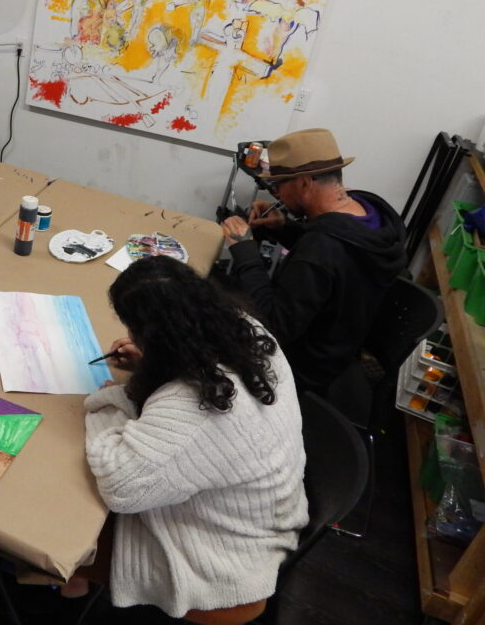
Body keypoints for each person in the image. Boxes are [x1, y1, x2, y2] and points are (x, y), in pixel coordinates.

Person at [76, 256, 307, 621]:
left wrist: (110, 401)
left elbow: (121, 486)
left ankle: (61, 585)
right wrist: (155, 361)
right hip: (263, 506)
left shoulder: (194, 408)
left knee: (66, 524)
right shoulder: (248, 331)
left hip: (224, 561)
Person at [220, 128, 406, 392]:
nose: (277, 195)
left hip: (300, 370)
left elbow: (273, 325)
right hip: (339, 349)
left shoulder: (320, 248)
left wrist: (245, 252)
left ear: (305, 182)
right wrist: (283, 227)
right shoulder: (372, 212)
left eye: (278, 186)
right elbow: (337, 264)